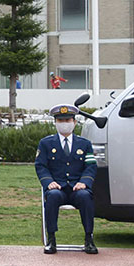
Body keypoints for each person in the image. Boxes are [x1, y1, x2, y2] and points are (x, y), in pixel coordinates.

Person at [35, 104, 98, 254]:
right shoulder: (46, 143)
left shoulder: (85, 144)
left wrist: (84, 182)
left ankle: (89, 238)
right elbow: (41, 166)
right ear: (55, 122)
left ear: (74, 122)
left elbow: (91, 166)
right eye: (60, 120)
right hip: (57, 187)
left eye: (67, 120)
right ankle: (51, 239)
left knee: (85, 197)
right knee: (52, 197)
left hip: (78, 188)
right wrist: (49, 182)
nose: (64, 124)